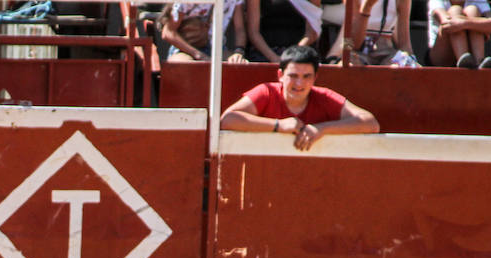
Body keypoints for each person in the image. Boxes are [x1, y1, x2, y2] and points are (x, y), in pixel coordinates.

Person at [220, 44, 380, 150]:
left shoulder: (323, 96)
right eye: (293, 75)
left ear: (315, 78)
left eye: (306, 76)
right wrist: (277, 125)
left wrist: (321, 129)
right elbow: (227, 119)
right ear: (280, 75)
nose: (299, 83)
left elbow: (371, 123)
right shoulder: (266, 92)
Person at [159, 0, 249, 63]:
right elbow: (168, 32)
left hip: (218, 49)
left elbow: (239, 29)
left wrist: (238, 52)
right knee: (184, 65)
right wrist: (198, 55)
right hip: (185, 49)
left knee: (239, 65)